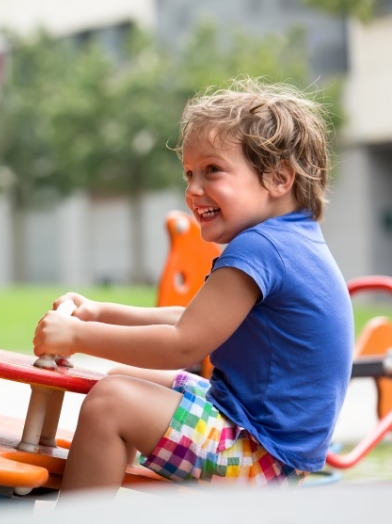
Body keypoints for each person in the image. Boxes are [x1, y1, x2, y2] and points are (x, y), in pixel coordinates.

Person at [32, 78, 353, 495]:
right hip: (268, 444)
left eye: (212, 170)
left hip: (261, 458)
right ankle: (104, 478)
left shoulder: (262, 246)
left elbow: (185, 344)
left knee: (110, 402)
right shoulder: (291, 239)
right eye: (189, 174)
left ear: (278, 178)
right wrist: (100, 312)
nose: (192, 190)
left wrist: (76, 335)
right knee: (126, 377)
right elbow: (194, 319)